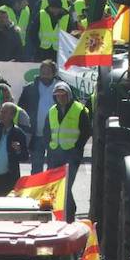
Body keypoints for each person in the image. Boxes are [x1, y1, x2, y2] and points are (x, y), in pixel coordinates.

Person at [41, 83, 90, 220]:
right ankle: (64, 212)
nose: (61, 98)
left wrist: (77, 148)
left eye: (63, 95)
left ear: (69, 95)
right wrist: (49, 147)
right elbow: (46, 131)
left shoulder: (79, 109)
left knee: (66, 185)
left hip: (71, 154)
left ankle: (69, 215)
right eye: (58, 96)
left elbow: (86, 131)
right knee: (56, 186)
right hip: (54, 154)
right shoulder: (52, 110)